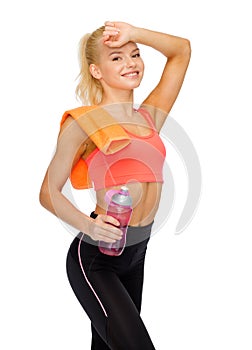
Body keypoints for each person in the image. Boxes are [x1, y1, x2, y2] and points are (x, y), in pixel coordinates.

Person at [39, 21, 191, 350]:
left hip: (136, 253)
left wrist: (134, 32)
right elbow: (48, 191)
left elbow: (181, 51)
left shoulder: (149, 116)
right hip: (97, 258)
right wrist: (88, 225)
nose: (130, 63)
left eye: (134, 55)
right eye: (116, 58)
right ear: (96, 70)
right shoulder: (84, 122)